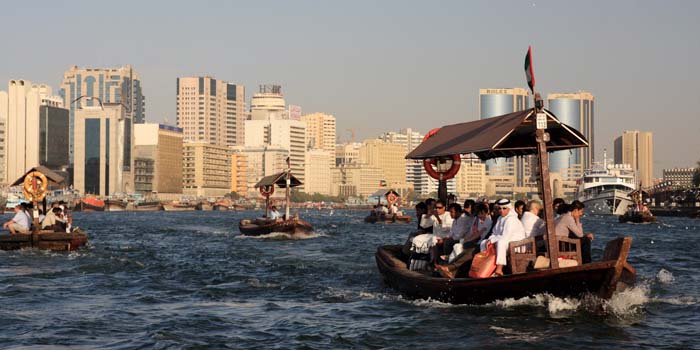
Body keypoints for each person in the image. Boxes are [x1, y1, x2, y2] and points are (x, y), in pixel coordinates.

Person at [434, 203, 490, 279]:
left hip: (480, 244)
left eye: (481, 214)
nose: (480, 216)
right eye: (478, 214)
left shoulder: (488, 221)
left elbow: (478, 234)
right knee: (463, 253)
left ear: (486, 212)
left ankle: (449, 268)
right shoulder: (479, 221)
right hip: (476, 243)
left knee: (468, 253)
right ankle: (448, 267)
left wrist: (467, 240)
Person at [480, 198, 526, 276]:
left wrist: (492, 240)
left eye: (504, 208)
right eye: (499, 208)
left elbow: (505, 236)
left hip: (517, 244)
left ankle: (499, 270)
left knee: (501, 243)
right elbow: (494, 233)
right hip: (506, 241)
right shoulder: (500, 218)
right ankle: (486, 267)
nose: (501, 210)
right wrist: (490, 240)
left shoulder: (511, 219)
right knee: (483, 242)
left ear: (509, 208)